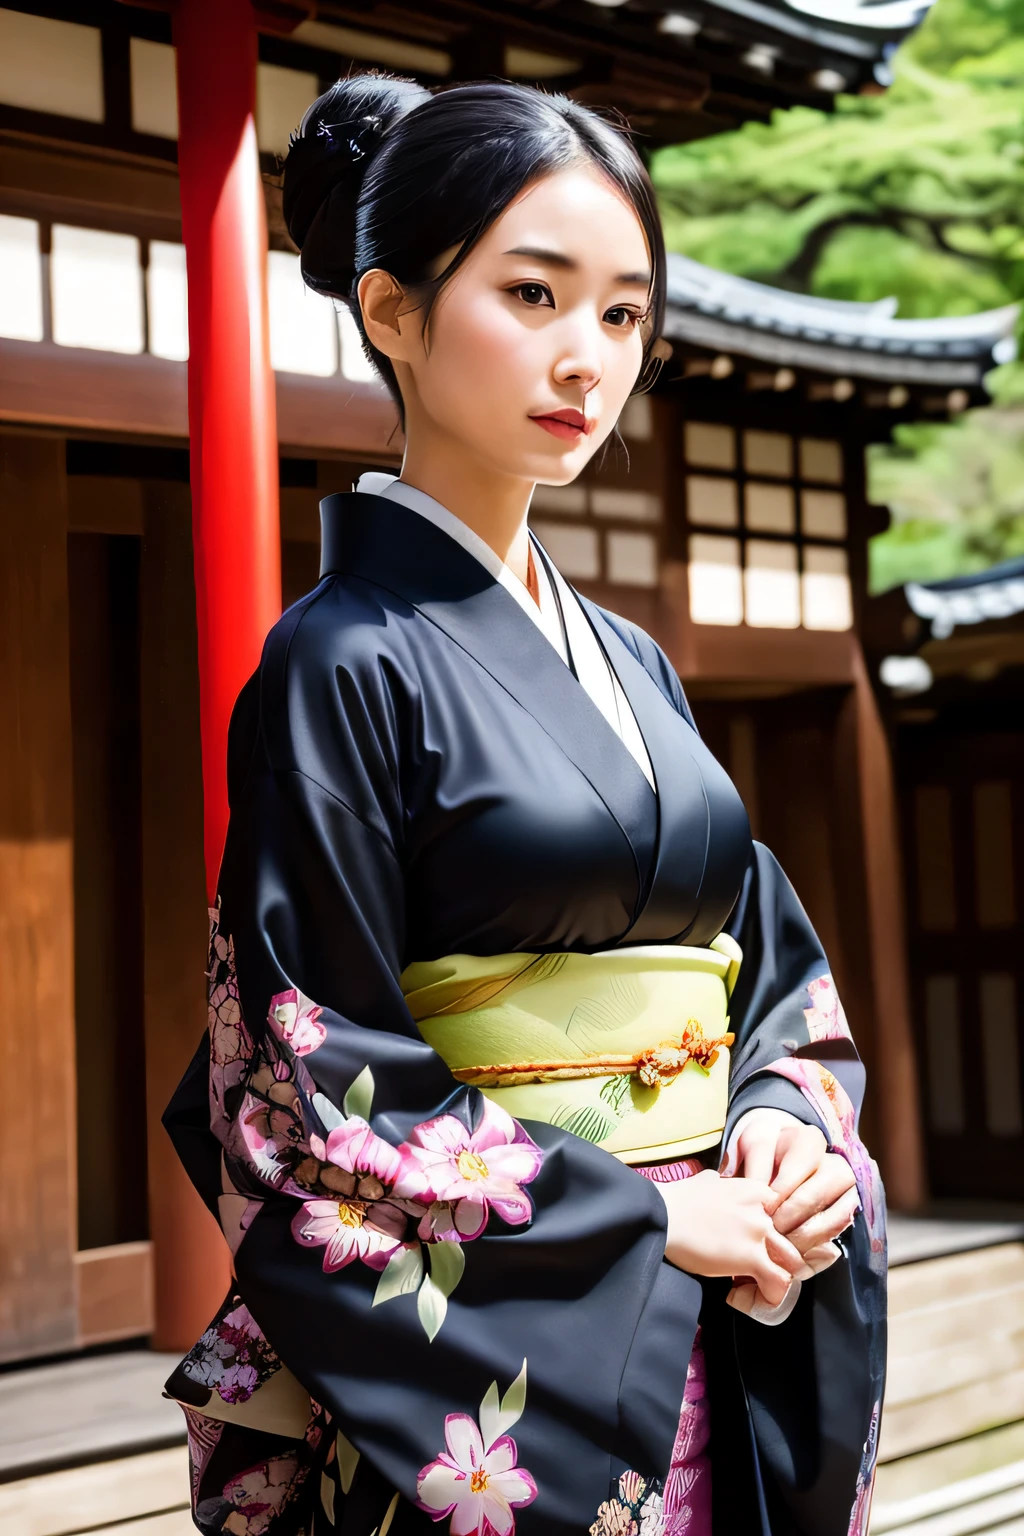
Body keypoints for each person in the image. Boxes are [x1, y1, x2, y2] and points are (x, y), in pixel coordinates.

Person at [163, 73, 887, 1536]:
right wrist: (644, 1215)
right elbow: (308, 1086)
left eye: (622, 315)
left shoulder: (633, 660)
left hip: (723, 1294)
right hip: (539, 1339)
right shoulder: (338, 662)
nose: (587, 359)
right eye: (534, 295)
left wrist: (780, 1124)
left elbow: (767, 963)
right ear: (391, 313)